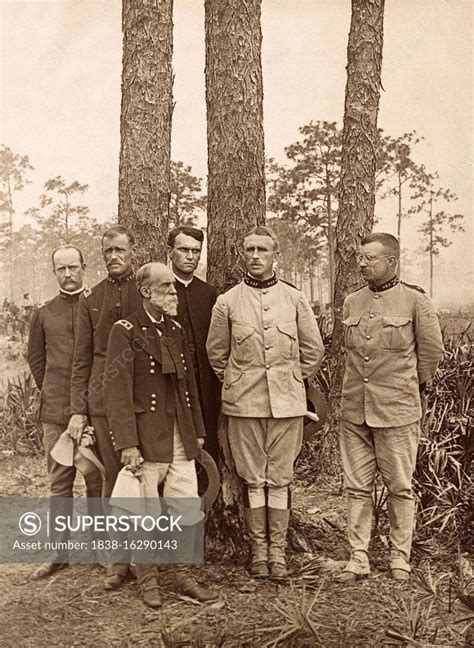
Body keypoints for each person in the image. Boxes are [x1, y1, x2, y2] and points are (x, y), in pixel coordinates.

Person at [206, 225, 324, 579]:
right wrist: (238, 382)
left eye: (263, 250)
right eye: (250, 250)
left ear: (276, 256)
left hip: (288, 405)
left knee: (281, 478)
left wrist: (289, 379)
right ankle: (259, 552)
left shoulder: (295, 299)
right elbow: (216, 354)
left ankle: (279, 552)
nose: (255, 256)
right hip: (244, 405)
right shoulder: (227, 302)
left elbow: (313, 350)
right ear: (242, 254)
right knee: (254, 480)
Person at [103, 262, 218, 607]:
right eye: (166, 287)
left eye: (173, 287)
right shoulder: (124, 331)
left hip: (179, 434)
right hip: (146, 436)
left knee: (185, 505)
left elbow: (188, 386)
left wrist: (197, 430)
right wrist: (127, 444)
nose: (173, 292)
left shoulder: (175, 329)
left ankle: (184, 575)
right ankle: (148, 580)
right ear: (146, 292)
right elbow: (116, 392)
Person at [337, 232, 444, 583]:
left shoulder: (414, 301)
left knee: (400, 487)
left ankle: (400, 556)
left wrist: (407, 390)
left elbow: (431, 354)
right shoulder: (352, 301)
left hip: (397, 412)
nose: (362, 263)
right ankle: (358, 557)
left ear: (391, 262)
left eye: (370, 258)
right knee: (356, 488)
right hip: (355, 410)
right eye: (360, 257)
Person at [67, 225, 142, 589]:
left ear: (132, 251)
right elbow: (81, 359)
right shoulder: (91, 298)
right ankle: (118, 561)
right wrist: (79, 409)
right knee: (113, 479)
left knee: (147, 477)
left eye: (119, 250)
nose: (113, 256)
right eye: (107, 251)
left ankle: (149, 559)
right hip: (102, 400)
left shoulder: (145, 291)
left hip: (144, 400)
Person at [27, 245, 102, 579]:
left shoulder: (96, 306)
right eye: (62, 269)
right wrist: (58, 398)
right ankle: (60, 552)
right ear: (54, 272)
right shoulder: (43, 314)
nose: (68, 274)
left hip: (95, 410)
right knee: (60, 482)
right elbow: (37, 361)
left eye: (74, 267)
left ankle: (102, 548)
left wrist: (85, 406)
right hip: (56, 413)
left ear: (84, 267)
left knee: (96, 478)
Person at [167, 225, 220, 461]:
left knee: (208, 445)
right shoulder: (162, 289)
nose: (190, 257)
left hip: (205, 384)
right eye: (183, 250)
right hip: (171, 382)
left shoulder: (208, 293)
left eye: (196, 251)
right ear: (170, 252)